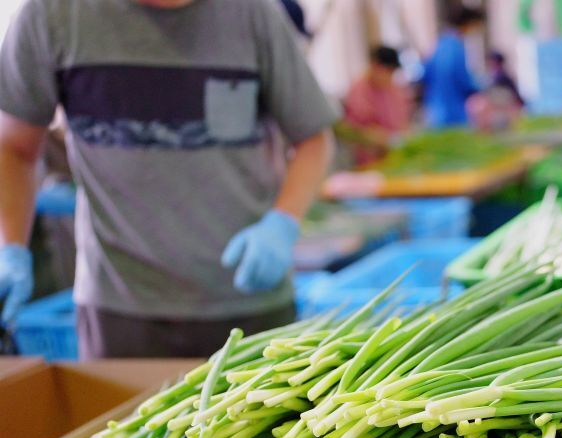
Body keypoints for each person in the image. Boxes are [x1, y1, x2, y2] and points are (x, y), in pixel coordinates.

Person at [0, 0, 337, 362]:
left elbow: (314, 140)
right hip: (120, 306)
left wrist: (282, 223)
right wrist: (11, 248)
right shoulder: (53, 14)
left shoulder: (254, 13)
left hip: (249, 297)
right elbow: (14, 147)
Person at [341, 46, 413, 165]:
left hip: (394, 157)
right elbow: (354, 130)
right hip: (369, 160)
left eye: (392, 72)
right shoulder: (359, 90)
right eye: (388, 71)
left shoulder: (393, 89)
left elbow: (403, 121)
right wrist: (381, 138)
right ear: (375, 65)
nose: (390, 76)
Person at [421, 6, 484, 127]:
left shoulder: (440, 43)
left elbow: (426, 73)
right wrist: (477, 88)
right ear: (470, 23)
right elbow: (461, 79)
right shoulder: (456, 46)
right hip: (453, 110)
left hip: (435, 109)